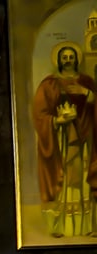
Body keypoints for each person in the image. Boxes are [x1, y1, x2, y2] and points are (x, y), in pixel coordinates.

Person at [31, 42, 97, 237]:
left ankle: (88, 226)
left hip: (85, 138)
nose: (68, 60)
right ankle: (61, 226)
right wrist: (57, 120)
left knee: (84, 179)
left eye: (71, 57)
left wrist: (88, 94)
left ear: (77, 59)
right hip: (61, 139)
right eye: (64, 57)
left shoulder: (87, 82)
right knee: (65, 180)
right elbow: (39, 113)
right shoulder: (49, 83)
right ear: (59, 60)